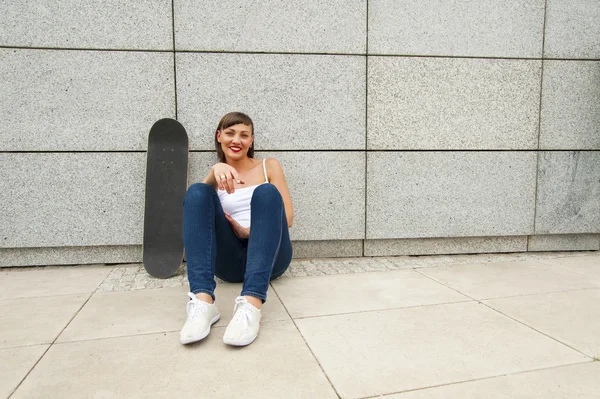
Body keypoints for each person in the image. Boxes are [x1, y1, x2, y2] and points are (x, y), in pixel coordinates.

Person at [180, 112, 293, 347]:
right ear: (219, 136)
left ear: (251, 141)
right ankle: (203, 302)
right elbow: (197, 213)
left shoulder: (268, 166)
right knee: (196, 192)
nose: (236, 140)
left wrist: (248, 232)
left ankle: (251, 304)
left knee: (267, 193)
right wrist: (214, 171)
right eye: (230, 133)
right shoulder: (218, 174)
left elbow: (288, 219)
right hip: (230, 261)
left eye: (244, 135)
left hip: (271, 256)